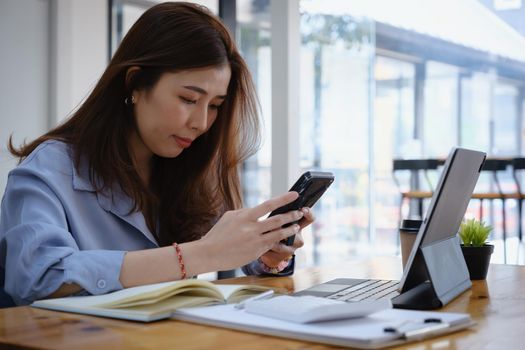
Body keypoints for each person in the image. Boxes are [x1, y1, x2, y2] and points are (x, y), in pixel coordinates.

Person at [0, 2, 313, 307]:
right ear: (135, 84)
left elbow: (225, 249)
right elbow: (36, 278)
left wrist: (265, 256)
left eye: (215, 105)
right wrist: (201, 254)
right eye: (189, 99)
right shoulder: (51, 168)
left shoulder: (189, 168)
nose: (201, 123)